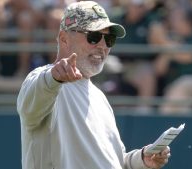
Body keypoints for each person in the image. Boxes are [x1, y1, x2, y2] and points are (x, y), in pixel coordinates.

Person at [17, 1, 171, 169]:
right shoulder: (43, 80)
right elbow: (33, 101)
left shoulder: (99, 97)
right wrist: (54, 77)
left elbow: (112, 161)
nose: (103, 46)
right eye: (94, 37)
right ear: (64, 39)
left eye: (109, 39)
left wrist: (140, 159)